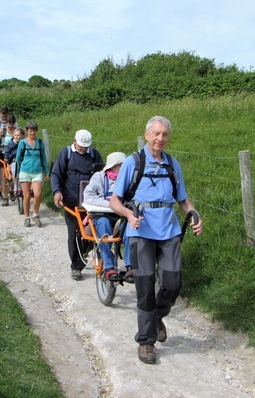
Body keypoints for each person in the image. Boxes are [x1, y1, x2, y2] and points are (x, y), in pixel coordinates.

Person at [109, 116, 203, 365]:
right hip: (140, 233)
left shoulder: (173, 164)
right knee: (145, 285)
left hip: (169, 231)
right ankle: (146, 342)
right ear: (147, 134)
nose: (160, 138)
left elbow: (182, 199)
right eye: (156, 134)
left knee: (173, 282)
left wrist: (193, 214)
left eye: (165, 135)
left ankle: (157, 316)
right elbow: (114, 201)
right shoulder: (133, 162)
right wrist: (129, 214)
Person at [51, 129, 103, 281]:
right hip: (72, 202)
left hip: (90, 204)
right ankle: (76, 266)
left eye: (86, 147)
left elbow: (101, 176)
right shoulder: (66, 154)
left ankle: (85, 254)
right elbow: (56, 174)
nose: (83, 149)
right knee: (74, 234)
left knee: (88, 233)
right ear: (74, 141)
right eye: (81, 146)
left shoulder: (94, 155)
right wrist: (57, 192)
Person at [82, 151, 132, 282]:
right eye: (122, 165)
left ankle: (130, 266)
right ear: (113, 166)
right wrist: (111, 204)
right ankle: (109, 267)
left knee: (130, 230)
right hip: (102, 215)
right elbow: (88, 197)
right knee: (103, 224)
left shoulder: (129, 179)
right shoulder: (99, 177)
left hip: (122, 216)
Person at [15, 121, 49, 227]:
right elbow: (17, 159)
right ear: (27, 131)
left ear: (36, 131)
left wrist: (47, 172)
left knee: (38, 194)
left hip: (37, 172)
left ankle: (35, 214)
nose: (32, 132)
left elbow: (43, 158)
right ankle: (26, 217)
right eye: (30, 130)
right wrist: (16, 173)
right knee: (26, 195)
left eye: (34, 130)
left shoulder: (40, 143)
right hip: (25, 171)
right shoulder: (22, 143)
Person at [0, 114, 16, 206]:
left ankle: (12, 190)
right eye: (9, 123)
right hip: (3, 155)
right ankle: (5, 197)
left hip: (14, 155)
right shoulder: (3, 131)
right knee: (4, 177)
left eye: (12, 123)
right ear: (6, 123)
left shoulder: (16, 132)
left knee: (13, 176)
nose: (10, 125)